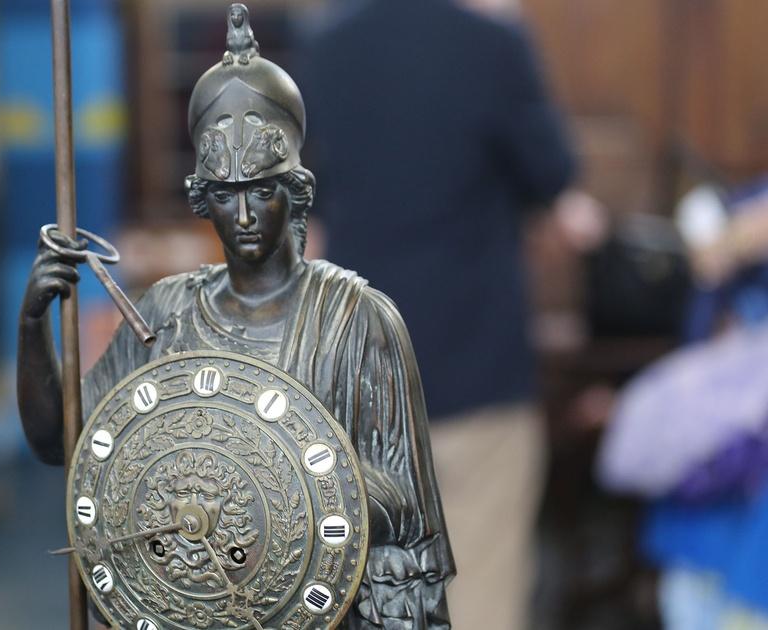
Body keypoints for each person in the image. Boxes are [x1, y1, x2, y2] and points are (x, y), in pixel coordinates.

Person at [17, 5, 454, 628]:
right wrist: (32, 326)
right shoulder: (165, 314)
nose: (244, 216)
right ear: (204, 199)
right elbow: (62, 441)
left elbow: (405, 503)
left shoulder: (356, 321)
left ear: (295, 189)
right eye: (225, 196)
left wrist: (285, 485)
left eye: (262, 191)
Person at [302, 1, 578, 629]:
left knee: (368, 590)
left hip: (360, 369)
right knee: (480, 582)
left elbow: (309, 200)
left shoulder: (328, 46)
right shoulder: (493, 45)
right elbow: (552, 175)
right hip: (475, 355)